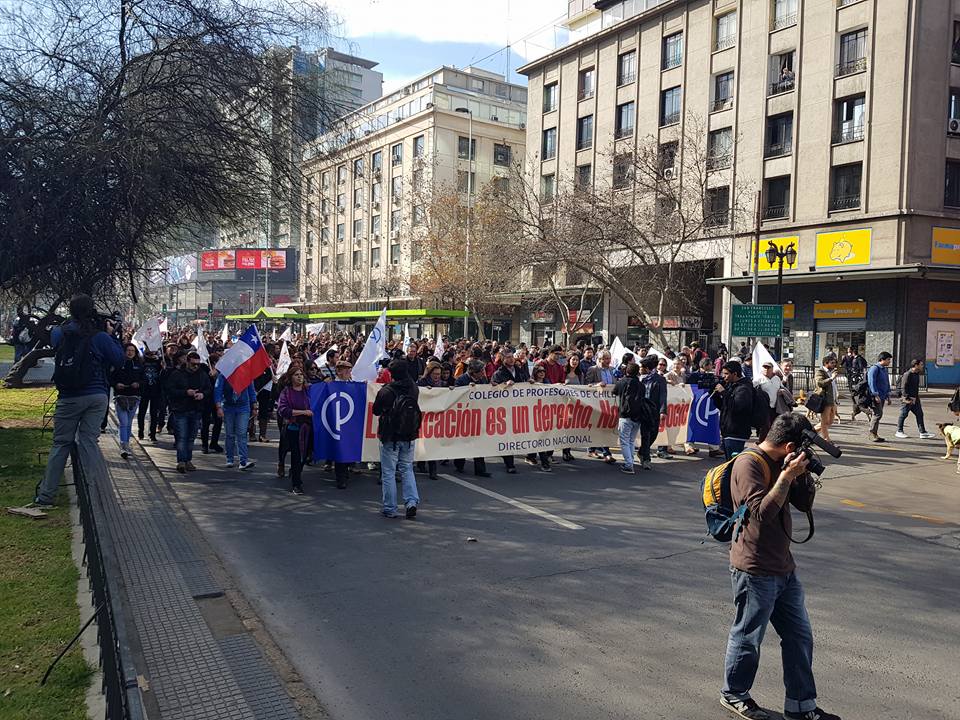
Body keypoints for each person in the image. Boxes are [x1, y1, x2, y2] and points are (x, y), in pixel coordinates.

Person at [720, 413, 840, 720]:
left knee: (800, 637)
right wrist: (786, 477)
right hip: (755, 568)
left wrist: (802, 476)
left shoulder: (784, 461)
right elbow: (761, 513)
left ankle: (801, 706)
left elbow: (803, 505)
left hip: (784, 567)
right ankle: (734, 693)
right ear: (788, 445)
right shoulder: (749, 464)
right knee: (748, 637)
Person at [32, 295, 125, 509]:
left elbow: (57, 345)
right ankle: (91, 494)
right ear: (91, 311)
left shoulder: (59, 333)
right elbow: (119, 359)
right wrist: (112, 335)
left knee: (60, 444)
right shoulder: (100, 336)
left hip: (68, 396)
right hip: (96, 395)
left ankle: (46, 495)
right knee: (89, 441)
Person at [373, 358, 422, 518]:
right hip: (409, 434)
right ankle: (411, 502)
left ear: (391, 374)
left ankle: (390, 508)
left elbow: (376, 410)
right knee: (407, 468)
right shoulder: (413, 388)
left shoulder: (386, 391)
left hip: (390, 436)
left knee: (388, 472)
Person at [165, 351, 212, 473]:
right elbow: (170, 390)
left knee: (191, 437)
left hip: (196, 409)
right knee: (182, 436)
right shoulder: (177, 374)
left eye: (198, 364)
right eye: (193, 364)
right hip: (181, 409)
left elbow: (208, 388)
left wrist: (202, 394)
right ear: (187, 362)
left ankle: (188, 460)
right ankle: (181, 461)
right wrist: (186, 392)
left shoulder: (202, 374)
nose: (196, 367)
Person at [276, 367, 312, 494]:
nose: (299, 377)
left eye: (301, 374)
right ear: (291, 377)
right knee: (296, 455)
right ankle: (296, 484)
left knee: (305, 455)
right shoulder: (286, 392)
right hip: (293, 428)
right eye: (296, 375)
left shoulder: (308, 391)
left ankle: (296, 471)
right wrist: (302, 412)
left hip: (308, 428)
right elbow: (283, 410)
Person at [453, 359, 491, 477]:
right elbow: (455, 395)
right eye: (481, 371)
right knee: (462, 441)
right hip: (464, 415)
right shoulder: (461, 380)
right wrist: (466, 390)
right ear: (474, 372)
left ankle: (480, 469)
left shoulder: (483, 380)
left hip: (479, 414)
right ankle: (459, 464)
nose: (484, 373)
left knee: (479, 442)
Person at [214, 371, 258, 471]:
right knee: (229, 434)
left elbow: (251, 390)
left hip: (243, 407)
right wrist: (218, 407)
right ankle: (229, 458)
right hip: (228, 407)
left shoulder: (246, 374)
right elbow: (218, 390)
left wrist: (254, 406)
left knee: (242, 433)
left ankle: (243, 461)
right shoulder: (224, 375)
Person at [714, 360, 754, 460]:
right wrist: (715, 395)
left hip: (736, 433)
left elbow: (736, 407)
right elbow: (724, 406)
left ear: (735, 374)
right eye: (723, 373)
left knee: (733, 464)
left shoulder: (744, 388)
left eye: (726, 374)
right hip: (728, 431)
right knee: (729, 464)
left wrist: (723, 392)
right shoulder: (731, 385)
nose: (724, 376)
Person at [611, 362, 645, 473]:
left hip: (625, 415)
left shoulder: (622, 382)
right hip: (638, 416)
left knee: (624, 441)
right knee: (631, 440)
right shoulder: (641, 385)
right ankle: (630, 460)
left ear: (626, 371)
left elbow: (614, 391)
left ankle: (629, 464)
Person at [111, 343, 143, 459]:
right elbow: (111, 378)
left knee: (128, 422)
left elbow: (143, 379)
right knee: (123, 422)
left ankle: (127, 443)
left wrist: (138, 384)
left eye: (132, 351)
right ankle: (123, 445)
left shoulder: (139, 365)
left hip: (134, 397)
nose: (130, 353)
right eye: (128, 350)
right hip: (121, 397)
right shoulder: (118, 364)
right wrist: (116, 384)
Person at [585, 351, 617, 464]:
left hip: (610, 403)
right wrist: (597, 385)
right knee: (600, 426)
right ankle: (606, 453)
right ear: (599, 359)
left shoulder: (613, 370)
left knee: (605, 427)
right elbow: (586, 386)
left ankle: (592, 449)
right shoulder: (593, 370)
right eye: (605, 358)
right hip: (597, 402)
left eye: (609, 358)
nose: (608, 361)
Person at [895, 357, 934, 440]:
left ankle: (922, 432)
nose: (922, 366)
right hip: (908, 399)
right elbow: (903, 387)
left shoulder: (916, 374)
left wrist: (916, 398)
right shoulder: (907, 374)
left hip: (915, 399)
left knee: (919, 414)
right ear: (916, 365)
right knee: (903, 414)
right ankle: (899, 431)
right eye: (921, 365)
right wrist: (907, 398)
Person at [138, 348, 164, 442]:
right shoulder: (142, 361)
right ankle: (141, 431)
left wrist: (163, 367)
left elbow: (163, 375)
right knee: (142, 412)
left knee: (154, 414)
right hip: (144, 391)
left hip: (156, 391)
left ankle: (152, 434)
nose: (152, 352)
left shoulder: (159, 361)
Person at [812, 356, 840, 443]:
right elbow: (820, 383)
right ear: (826, 363)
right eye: (832, 363)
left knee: (830, 421)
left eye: (834, 363)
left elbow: (833, 387)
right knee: (824, 421)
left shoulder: (832, 372)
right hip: (825, 400)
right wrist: (831, 378)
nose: (834, 365)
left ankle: (811, 432)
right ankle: (826, 439)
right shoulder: (820, 372)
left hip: (833, 400)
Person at [866, 352, 892, 442]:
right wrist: (875, 394)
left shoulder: (884, 369)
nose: (889, 362)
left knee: (878, 414)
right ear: (882, 359)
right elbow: (871, 382)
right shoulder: (874, 368)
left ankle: (875, 433)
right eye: (888, 359)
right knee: (877, 414)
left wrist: (888, 395)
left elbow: (887, 383)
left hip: (883, 395)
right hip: (876, 396)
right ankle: (872, 433)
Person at [754, 361, 782, 442]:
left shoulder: (776, 378)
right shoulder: (758, 379)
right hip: (764, 407)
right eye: (764, 367)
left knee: (774, 426)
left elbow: (782, 387)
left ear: (772, 369)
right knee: (765, 426)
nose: (766, 369)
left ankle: (771, 442)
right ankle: (761, 443)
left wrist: (781, 391)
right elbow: (751, 389)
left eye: (768, 367)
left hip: (775, 407)